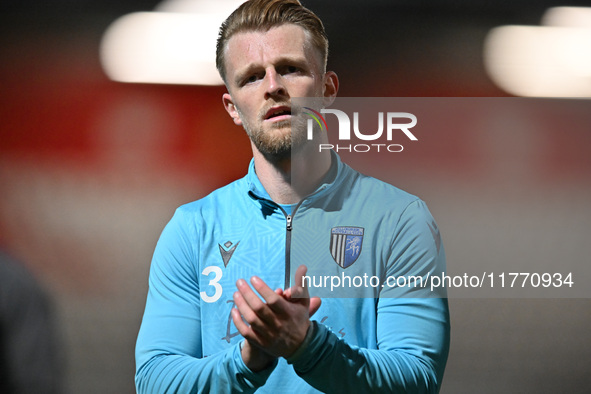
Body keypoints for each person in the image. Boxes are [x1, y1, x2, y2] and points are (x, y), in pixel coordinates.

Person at [135, 0, 450, 392]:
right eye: (252, 77)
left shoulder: (400, 219)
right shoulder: (191, 229)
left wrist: (308, 347)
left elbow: (417, 380)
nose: (273, 86)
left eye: (291, 69)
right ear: (233, 108)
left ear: (328, 89)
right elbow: (155, 382)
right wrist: (248, 360)